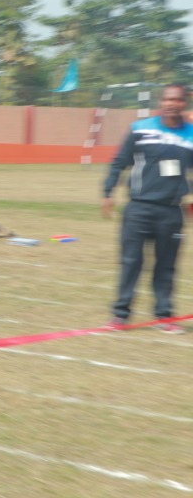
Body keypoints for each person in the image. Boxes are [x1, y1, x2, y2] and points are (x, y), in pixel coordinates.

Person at [102, 83, 193, 334]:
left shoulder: (191, 135)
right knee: (131, 262)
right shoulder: (140, 129)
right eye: (167, 99)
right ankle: (120, 316)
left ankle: (164, 316)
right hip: (138, 209)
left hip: (172, 212)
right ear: (161, 102)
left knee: (166, 266)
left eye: (177, 100)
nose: (171, 104)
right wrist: (107, 192)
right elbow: (119, 162)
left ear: (184, 102)